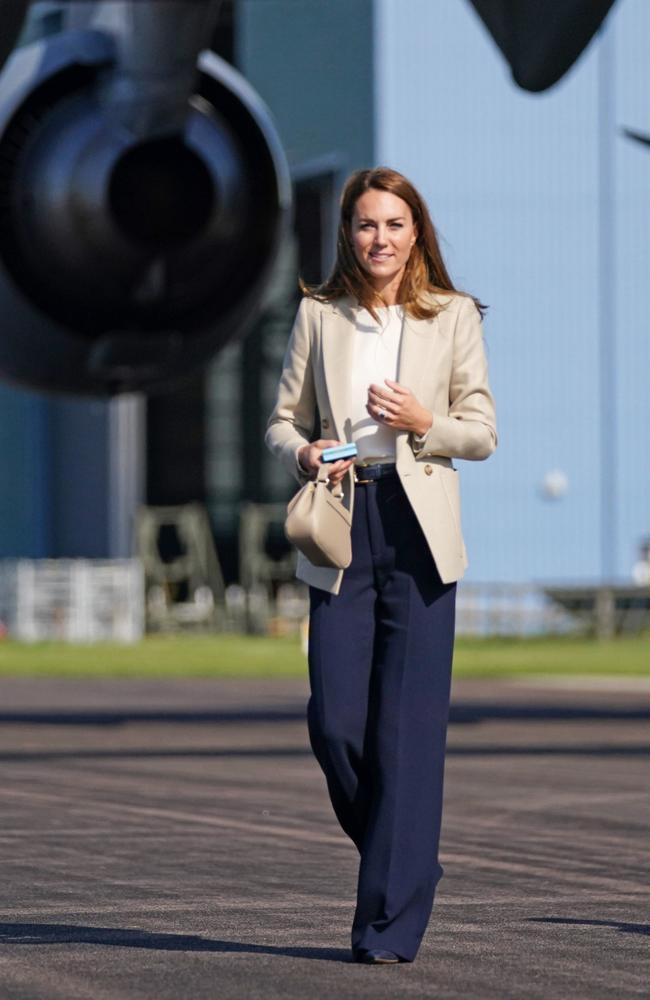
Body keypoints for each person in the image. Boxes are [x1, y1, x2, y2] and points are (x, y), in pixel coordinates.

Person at [265, 166, 497, 965]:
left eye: (395, 225)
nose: (380, 239)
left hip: (421, 528)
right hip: (343, 523)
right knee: (334, 722)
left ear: (416, 233)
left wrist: (426, 422)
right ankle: (405, 853)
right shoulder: (317, 315)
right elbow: (280, 420)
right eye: (367, 225)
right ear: (348, 234)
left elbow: (483, 430)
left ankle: (388, 927)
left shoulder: (453, 316)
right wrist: (302, 450)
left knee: (408, 734)